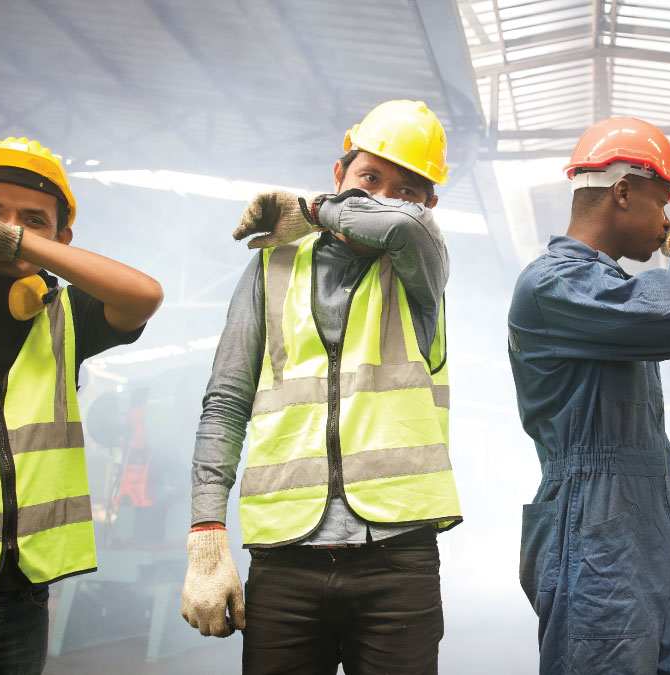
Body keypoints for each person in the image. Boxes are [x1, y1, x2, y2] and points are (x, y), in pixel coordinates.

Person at [181, 99, 462, 675]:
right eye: (368, 177)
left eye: (406, 189)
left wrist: (313, 209)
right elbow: (226, 404)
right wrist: (207, 538)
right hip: (285, 561)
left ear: (429, 205)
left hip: (397, 557)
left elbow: (402, 227)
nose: (381, 197)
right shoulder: (272, 266)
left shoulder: (419, 262)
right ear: (340, 173)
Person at [508, 117, 670, 675]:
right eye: (662, 204)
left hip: (646, 533)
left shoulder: (611, 297)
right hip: (594, 535)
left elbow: (646, 442)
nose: (667, 221)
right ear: (622, 192)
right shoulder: (555, 286)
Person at [0, 137, 164, 674]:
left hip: (20, 604)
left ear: (61, 238)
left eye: (31, 220)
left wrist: (17, 243)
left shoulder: (68, 316)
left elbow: (144, 295)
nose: (5, 229)